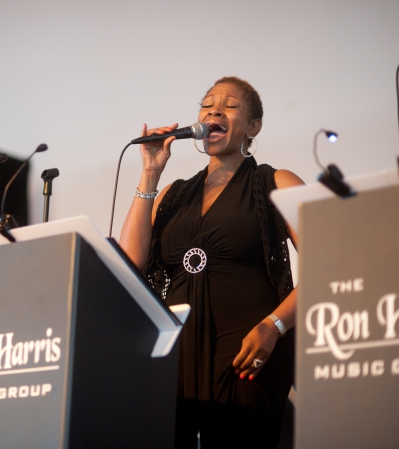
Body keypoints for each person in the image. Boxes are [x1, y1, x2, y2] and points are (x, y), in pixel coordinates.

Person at [119, 77, 304, 448]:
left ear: (253, 128)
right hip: (178, 356)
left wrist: (274, 327)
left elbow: (330, 264)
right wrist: (150, 173)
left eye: (230, 106)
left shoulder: (276, 182)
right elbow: (131, 260)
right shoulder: (172, 195)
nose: (215, 110)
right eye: (207, 105)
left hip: (248, 352)